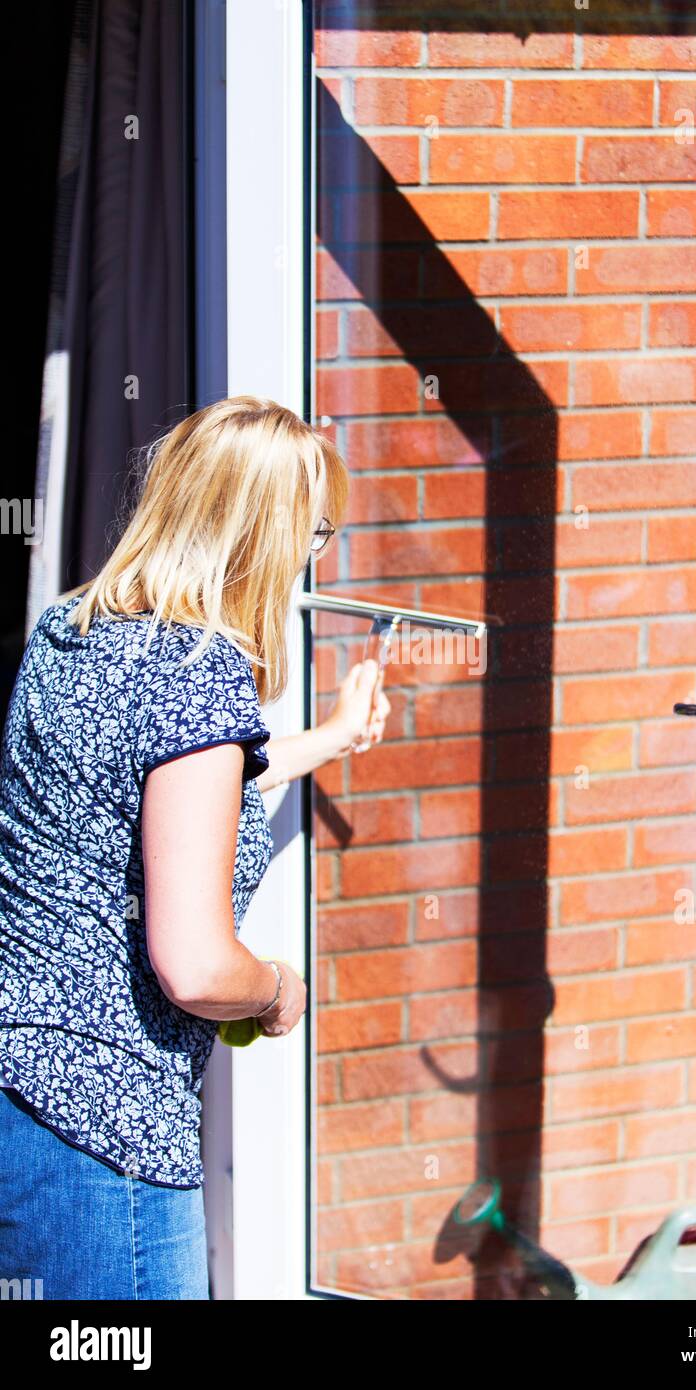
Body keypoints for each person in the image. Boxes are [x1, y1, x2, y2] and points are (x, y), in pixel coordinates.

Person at [0, 396, 389, 1299]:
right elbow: (199, 969)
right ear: (264, 534)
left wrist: (323, 739)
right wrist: (279, 988)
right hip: (102, 1135)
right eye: (313, 531)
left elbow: (156, 799)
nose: (308, 557)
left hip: (20, 1099)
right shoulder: (197, 672)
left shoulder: (73, 631)